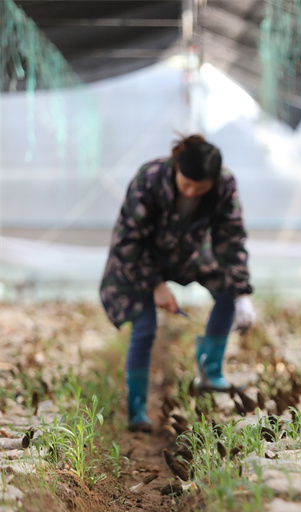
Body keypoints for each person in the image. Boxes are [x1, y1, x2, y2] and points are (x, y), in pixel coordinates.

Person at [100, 134, 256, 432]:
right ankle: (137, 412)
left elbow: (231, 238)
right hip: (140, 259)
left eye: (201, 188)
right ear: (175, 168)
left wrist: (241, 294)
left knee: (228, 289)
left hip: (188, 253)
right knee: (145, 327)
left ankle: (211, 374)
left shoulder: (224, 184)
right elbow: (127, 242)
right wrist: (156, 285)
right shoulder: (150, 179)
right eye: (186, 185)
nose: (192, 193)